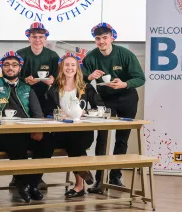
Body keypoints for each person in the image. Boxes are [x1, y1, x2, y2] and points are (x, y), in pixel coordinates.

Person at [0, 51, 54, 203]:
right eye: (7, 65)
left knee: (47, 140)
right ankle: (23, 184)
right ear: (2, 67)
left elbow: (37, 113)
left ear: (20, 68)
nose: (10, 68)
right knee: (17, 140)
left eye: (14, 65)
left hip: (24, 133)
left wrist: (39, 129)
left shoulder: (26, 88)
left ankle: (33, 183)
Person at [82, 23, 145, 193]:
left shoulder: (125, 54)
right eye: (97, 38)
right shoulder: (91, 57)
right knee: (102, 138)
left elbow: (140, 78)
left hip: (127, 98)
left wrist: (125, 84)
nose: (101, 41)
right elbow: (80, 79)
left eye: (104, 38)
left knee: (122, 138)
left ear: (112, 37)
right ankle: (100, 179)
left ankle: (115, 176)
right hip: (106, 100)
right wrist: (89, 76)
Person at [44, 53, 105, 198]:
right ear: (61, 68)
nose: (69, 68)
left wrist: (86, 112)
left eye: (73, 65)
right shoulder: (54, 88)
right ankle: (82, 177)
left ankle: (79, 186)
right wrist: (57, 114)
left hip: (81, 130)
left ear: (77, 68)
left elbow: (100, 107)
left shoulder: (86, 87)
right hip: (60, 131)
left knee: (74, 143)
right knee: (57, 143)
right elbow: (46, 109)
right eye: (66, 65)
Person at [16, 22, 59, 189]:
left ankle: (37, 176)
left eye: (41, 36)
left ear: (46, 38)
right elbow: (11, 75)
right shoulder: (20, 54)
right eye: (34, 36)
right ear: (29, 37)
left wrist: (52, 80)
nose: (37, 39)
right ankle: (18, 176)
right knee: (22, 137)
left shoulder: (53, 56)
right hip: (23, 100)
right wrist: (24, 80)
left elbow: (59, 77)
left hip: (45, 99)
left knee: (44, 138)